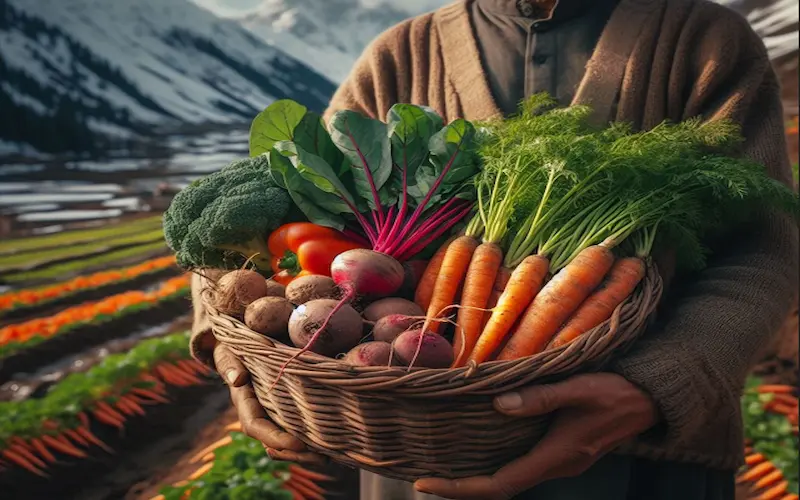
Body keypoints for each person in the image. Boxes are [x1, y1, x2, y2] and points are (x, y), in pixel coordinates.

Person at [189, 0, 799, 498]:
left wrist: (659, 384)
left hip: (638, 455)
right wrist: (234, 355)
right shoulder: (401, 55)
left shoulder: (703, 40)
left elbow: (764, 247)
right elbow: (275, 213)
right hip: (422, 445)